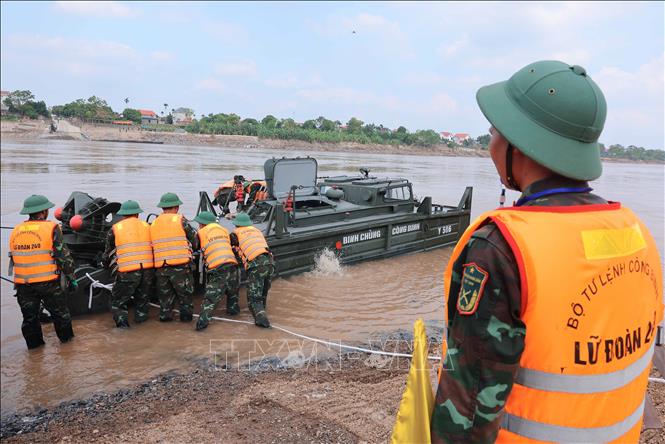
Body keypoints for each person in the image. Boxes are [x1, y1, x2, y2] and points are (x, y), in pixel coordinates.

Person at [431, 60, 663, 443]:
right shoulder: (637, 232)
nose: (490, 145)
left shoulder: (501, 248)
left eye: (493, 133)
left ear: (518, 145)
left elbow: (468, 409)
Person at [8, 194, 77, 349]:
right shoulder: (51, 227)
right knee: (61, 316)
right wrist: (72, 277)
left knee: (30, 320)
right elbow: (63, 257)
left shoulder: (16, 230)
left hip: (23, 286)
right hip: (48, 284)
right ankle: (68, 349)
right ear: (44, 211)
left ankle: (35, 354)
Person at [102, 200, 154, 328]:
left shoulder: (115, 229)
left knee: (118, 302)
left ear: (123, 215)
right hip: (147, 270)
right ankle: (142, 325)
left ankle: (123, 329)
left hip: (128, 271)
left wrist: (104, 263)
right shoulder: (148, 226)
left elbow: (108, 253)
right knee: (142, 300)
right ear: (137, 214)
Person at [150, 192, 198, 322]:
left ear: (162, 208)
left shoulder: (154, 223)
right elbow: (194, 240)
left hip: (161, 269)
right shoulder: (180, 220)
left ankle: (165, 323)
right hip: (181, 268)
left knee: (165, 301)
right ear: (176, 207)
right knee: (185, 298)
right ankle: (186, 323)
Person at [193, 211, 241, 331]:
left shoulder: (201, 232)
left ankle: (201, 327)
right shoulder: (223, 230)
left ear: (202, 224)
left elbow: (195, 246)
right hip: (232, 264)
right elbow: (233, 240)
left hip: (218, 268)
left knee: (210, 299)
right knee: (233, 295)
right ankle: (234, 320)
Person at [231, 212, 274, 328]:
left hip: (256, 265)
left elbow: (231, 247)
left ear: (237, 225)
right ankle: (262, 311)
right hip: (270, 262)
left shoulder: (235, 234)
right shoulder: (257, 231)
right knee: (263, 292)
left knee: (254, 299)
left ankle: (263, 324)